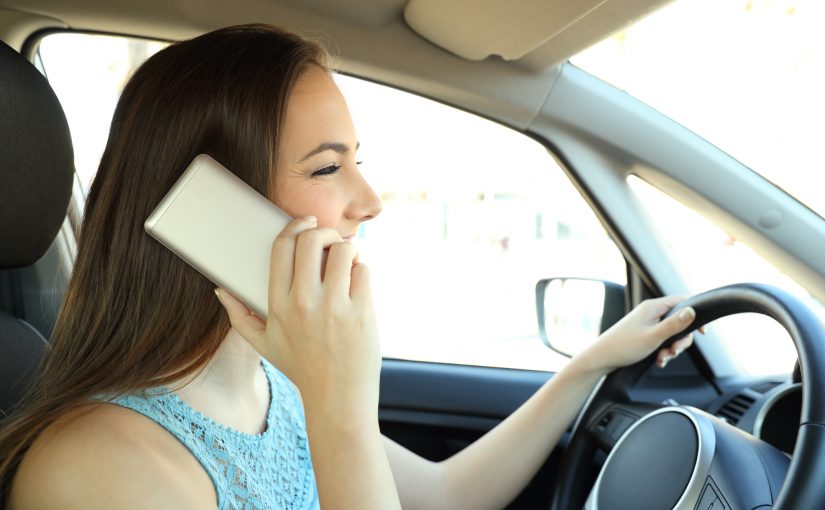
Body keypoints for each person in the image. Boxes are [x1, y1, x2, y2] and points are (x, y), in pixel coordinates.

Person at [0, 24, 696, 509]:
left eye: (357, 161)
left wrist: (589, 364)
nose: (369, 201)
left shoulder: (277, 383)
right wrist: (340, 410)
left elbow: (445, 497)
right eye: (329, 166)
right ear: (204, 206)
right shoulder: (95, 471)